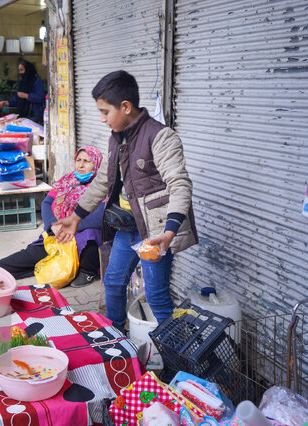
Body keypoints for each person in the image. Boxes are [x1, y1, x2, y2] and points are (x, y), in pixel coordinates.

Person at [55, 70, 199, 330]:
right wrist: (76, 218)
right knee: (113, 283)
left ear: (125, 106)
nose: (102, 119)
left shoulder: (160, 136)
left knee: (156, 297)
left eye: (105, 112)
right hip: (127, 228)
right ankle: (116, 339)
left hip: (155, 233)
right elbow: (102, 182)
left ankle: (178, 356)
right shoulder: (117, 138)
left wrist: (169, 233)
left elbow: (179, 185)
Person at [0, 146, 105, 287]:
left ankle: (87, 272)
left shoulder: (101, 186)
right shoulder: (66, 181)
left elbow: (101, 214)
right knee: (34, 254)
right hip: (59, 231)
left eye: (87, 161)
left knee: (92, 235)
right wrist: (52, 225)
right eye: (78, 160)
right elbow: (47, 203)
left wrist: (72, 226)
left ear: (96, 164)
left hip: (80, 231)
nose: (81, 165)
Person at [0, 59, 45, 123]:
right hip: (22, 116)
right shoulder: (21, 83)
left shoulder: (37, 81)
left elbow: (40, 97)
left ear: (28, 70)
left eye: (22, 70)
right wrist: (7, 102)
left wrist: (26, 96)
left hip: (34, 116)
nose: (20, 72)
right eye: (19, 70)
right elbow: (17, 98)